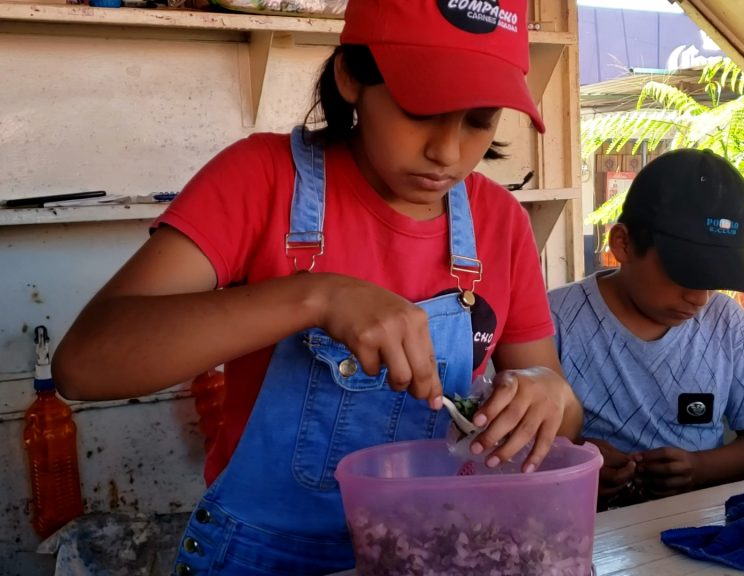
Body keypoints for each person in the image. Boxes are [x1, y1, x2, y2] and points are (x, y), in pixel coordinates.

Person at [52, 0, 583, 573]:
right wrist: (315, 297)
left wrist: (546, 393)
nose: (447, 152)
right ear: (350, 76)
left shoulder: (497, 221)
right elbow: (86, 365)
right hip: (263, 558)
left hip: (436, 551)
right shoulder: (261, 179)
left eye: (480, 120)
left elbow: (560, 415)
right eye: (418, 107)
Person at [548, 149, 744, 510]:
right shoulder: (553, 320)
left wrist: (700, 468)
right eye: (684, 274)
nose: (700, 297)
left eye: (715, 280)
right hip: (585, 530)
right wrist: (571, 462)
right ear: (623, 244)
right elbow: (505, 444)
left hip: (697, 532)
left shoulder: (726, 324)